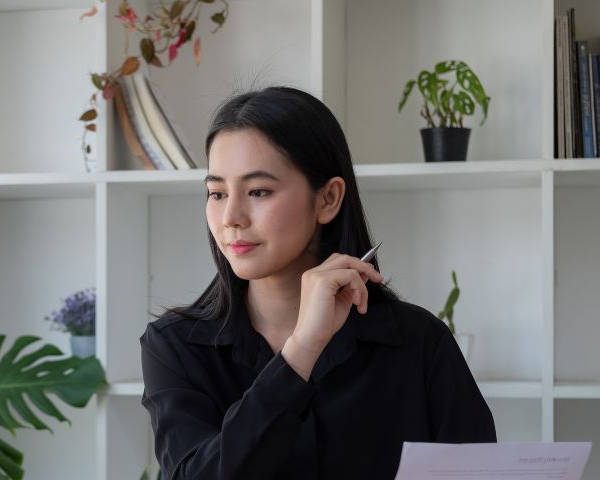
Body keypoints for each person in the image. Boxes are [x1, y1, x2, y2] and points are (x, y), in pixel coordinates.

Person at [139, 87, 496, 479]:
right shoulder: (175, 346)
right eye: (217, 193)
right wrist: (300, 353)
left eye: (258, 191)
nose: (231, 217)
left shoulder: (419, 342)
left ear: (328, 199)